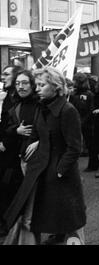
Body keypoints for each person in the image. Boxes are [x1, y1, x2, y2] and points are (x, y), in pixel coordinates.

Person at [4, 66, 86, 245]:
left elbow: (74, 147)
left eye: (42, 85)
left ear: (55, 86)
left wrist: (60, 170)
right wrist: (38, 141)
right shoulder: (42, 107)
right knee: (34, 216)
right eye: (38, 85)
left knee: (71, 219)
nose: (37, 88)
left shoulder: (68, 110)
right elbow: (41, 132)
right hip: (41, 168)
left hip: (60, 174)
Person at [1, 70, 39, 239]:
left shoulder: (40, 104)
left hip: (37, 160)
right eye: (18, 83)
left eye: (24, 83)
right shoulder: (14, 105)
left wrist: (39, 142)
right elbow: (7, 128)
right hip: (17, 158)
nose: (21, 87)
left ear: (32, 84)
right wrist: (16, 130)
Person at [0, 65, 23, 235]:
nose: (3, 76)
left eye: (6, 74)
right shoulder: (8, 95)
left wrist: (5, 141)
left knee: (9, 186)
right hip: (5, 147)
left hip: (12, 151)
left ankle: (9, 224)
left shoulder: (17, 98)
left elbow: (15, 125)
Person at [70, 73, 97, 172]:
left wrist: (83, 121)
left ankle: (93, 164)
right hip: (77, 121)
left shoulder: (89, 94)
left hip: (87, 123)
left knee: (90, 144)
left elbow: (91, 109)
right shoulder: (73, 94)